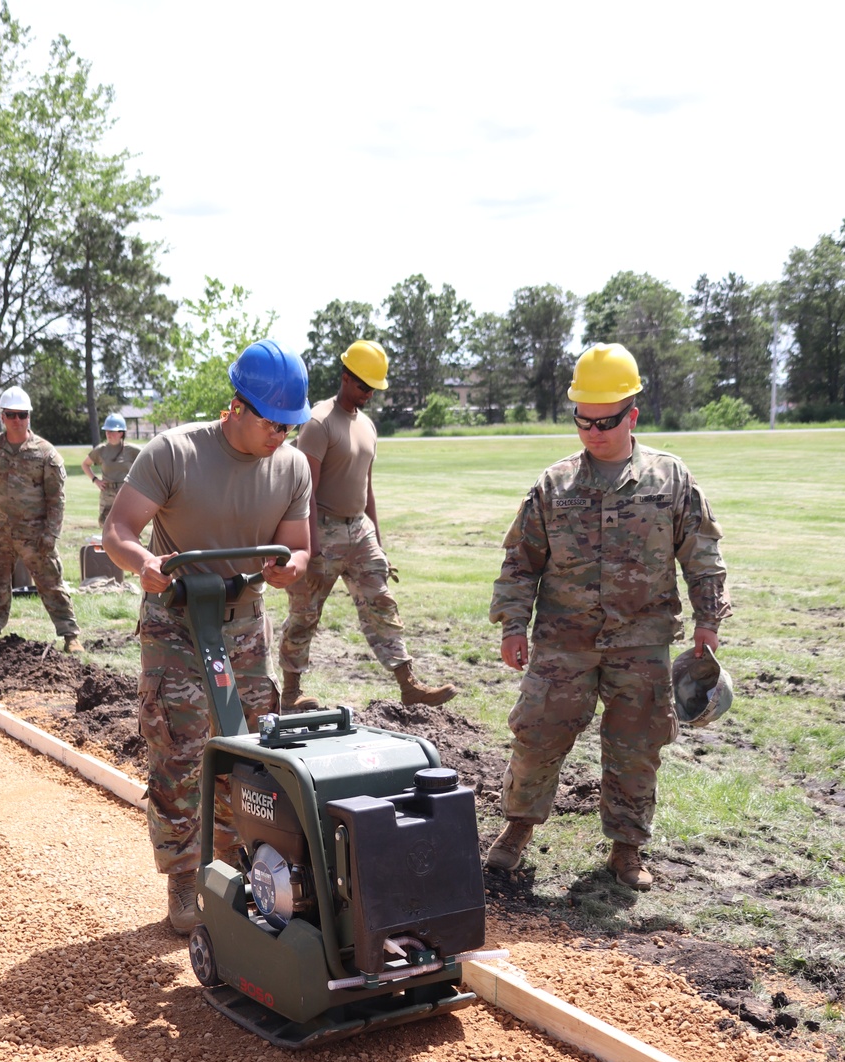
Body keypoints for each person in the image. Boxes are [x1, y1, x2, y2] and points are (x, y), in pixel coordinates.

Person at [486, 343, 730, 891]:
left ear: (632, 415)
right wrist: (511, 625)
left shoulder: (671, 478)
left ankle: (627, 849)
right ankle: (517, 831)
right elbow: (519, 563)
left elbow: (703, 554)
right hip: (562, 642)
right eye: (584, 420)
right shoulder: (554, 485)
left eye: (607, 421)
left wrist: (708, 620)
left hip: (641, 643)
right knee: (537, 738)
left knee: (636, 746)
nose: (594, 432)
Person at [102, 339, 312, 934]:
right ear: (237, 408)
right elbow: (118, 529)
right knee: (180, 750)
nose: (284, 436)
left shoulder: (291, 465)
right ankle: (184, 882)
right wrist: (140, 561)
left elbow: (297, 544)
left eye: (292, 426)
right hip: (176, 620)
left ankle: (235, 874)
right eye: (275, 423)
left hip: (243, 625)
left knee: (247, 754)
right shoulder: (174, 453)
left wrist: (291, 565)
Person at [278, 339, 456, 711]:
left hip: (359, 530)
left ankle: (409, 684)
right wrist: (309, 549)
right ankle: (291, 693)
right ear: (344, 377)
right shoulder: (318, 422)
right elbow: (304, 490)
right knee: (305, 613)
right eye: (362, 386)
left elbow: (367, 488)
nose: (368, 394)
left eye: (373, 388)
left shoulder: (369, 426)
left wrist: (380, 542)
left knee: (382, 602)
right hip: (320, 526)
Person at [0, 386, 81, 652]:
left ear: (29, 417)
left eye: (22, 415)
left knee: (50, 582)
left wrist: (52, 533)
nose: (17, 420)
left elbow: (56, 499)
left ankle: (70, 636)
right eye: (11, 414)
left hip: (35, 533)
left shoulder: (45, 453)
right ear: (2, 416)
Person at [80, 413, 141, 527]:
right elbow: (85, 464)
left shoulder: (132, 450)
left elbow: (147, 462)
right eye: (107, 431)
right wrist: (95, 480)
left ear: (121, 433)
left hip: (125, 492)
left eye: (112, 431)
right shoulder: (101, 450)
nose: (109, 434)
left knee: (127, 525)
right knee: (106, 526)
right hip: (107, 493)